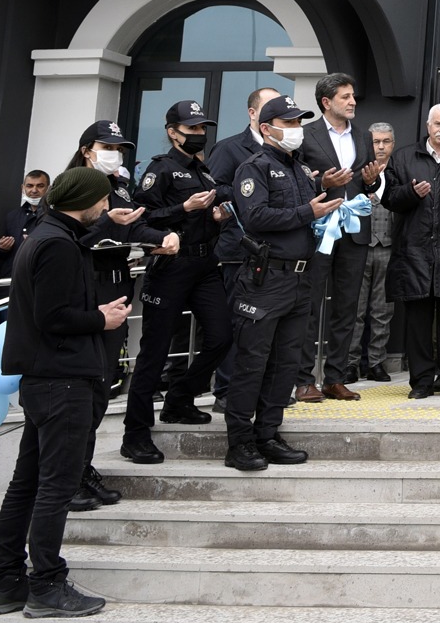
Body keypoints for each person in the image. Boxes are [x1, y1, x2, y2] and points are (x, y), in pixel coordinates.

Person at [0, 167, 128, 620]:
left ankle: (6, 581)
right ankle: (45, 584)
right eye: (101, 201)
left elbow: (52, 310)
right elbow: (53, 316)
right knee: (55, 488)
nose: (105, 208)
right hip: (63, 380)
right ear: (83, 200)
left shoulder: (48, 235)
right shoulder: (57, 245)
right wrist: (101, 320)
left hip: (46, 380)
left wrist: (93, 312)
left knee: (27, 484)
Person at [224, 95, 342, 472]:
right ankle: (239, 442)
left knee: (286, 363)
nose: (296, 130)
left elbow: (305, 214)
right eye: (289, 124)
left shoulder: (299, 168)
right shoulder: (253, 168)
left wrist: (326, 215)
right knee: (252, 362)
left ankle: (268, 434)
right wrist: (309, 211)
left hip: (300, 278)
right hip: (265, 278)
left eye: (297, 124)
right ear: (266, 128)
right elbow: (255, 216)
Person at [119, 100, 232, 465]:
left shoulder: (205, 171)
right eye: (192, 129)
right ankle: (135, 434)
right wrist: (182, 210)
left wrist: (216, 215)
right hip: (170, 265)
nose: (199, 135)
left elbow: (210, 213)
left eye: (202, 129)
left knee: (221, 337)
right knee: (155, 351)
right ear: (173, 132)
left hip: (205, 263)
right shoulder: (161, 169)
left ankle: (179, 399)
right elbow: (143, 215)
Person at [69, 121, 172, 509]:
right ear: (86, 150)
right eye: (107, 145)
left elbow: (136, 227)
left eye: (120, 147)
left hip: (117, 291)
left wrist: (161, 239)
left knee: (101, 387)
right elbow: (75, 242)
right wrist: (110, 223)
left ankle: (83, 468)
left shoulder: (119, 187)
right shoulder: (73, 188)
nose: (116, 153)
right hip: (86, 295)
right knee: (82, 390)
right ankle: (68, 477)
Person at [293, 73, 385, 403]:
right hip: (319, 232)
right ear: (326, 102)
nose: (353, 101)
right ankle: (304, 379)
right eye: (345, 97)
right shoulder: (305, 136)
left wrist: (372, 181)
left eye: (353, 95)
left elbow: (366, 183)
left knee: (348, 308)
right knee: (309, 307)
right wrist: (322, 186)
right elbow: (296, 183)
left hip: (354, 231)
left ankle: (335, 377)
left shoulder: (363, 137)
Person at [383, 104, 440, 399]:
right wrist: (411, 193)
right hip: (415, 253)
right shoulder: (404, 156)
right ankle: (421, 381)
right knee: (418, 324)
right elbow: (389, 199)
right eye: (438, 124)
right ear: (427, 125)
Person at [205, 86, 282, 407]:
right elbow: (213, 190)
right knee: (237, 325)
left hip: (274, 254)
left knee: (265, 329)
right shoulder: (230, 149)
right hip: (239, 252)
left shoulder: (284, 151)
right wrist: (247, 194)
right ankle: (226, 391)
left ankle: (260, 390)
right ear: (253, 114)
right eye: (268, 110)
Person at [350, 121, 396, 382]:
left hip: (389, 247)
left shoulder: (399, 171)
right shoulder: (357, 170)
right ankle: (349, 363)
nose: (380, 146)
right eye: (376, 141)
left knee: (382, 310)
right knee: (354, 310)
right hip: (359, 247)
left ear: (393, 144)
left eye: (385, 141)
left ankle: (377, 362)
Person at [0, 170, 49, 282]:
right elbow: (0, 255)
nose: (34, 190)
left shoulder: (55, 215)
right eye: (29, 186)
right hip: (11, 279)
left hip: (39, 279)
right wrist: (2, 248)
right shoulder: (12, 216)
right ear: (23, 188)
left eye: (40, 186)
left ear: (49, 188)